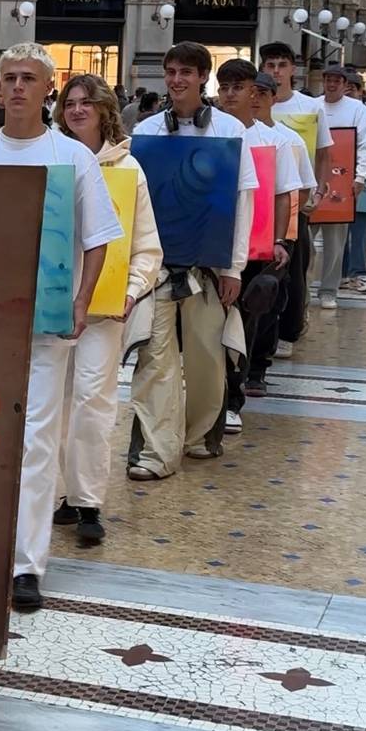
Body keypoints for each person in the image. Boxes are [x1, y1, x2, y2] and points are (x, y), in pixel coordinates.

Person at [0, 43, 122, 611]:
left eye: (29, 78)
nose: (18, 88)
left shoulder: (72, 157)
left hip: (46, 322)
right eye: (9, 78)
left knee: (34, 439)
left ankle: (25, 563)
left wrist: (81, 302)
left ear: (46, 88)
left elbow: (99, 235)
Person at [128, 41, 257, 479]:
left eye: (186, 72)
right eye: (171, 72)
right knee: (155, 359)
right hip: (158, 266)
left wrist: (233, 267)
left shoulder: (230, 131)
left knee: (206, 357)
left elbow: (243, 203)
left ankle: (201, 435)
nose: (177, 80)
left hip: (208, 264)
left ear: (203, 77)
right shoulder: (147, 133)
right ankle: (156, 451)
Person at [51, 74, 162, 543]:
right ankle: (55, 494)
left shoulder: (128, 170)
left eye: (86, 103)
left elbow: (146, 247)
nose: (76, 110)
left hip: (102, 310)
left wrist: (130, 291)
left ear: (103, 110)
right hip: (51, 308)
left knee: (93, 402)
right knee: (50, 402)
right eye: (70, 103)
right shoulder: (50, 159)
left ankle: (88, 499)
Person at [214, 59, 295, 430]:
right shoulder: (211, 132)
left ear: (254, 93)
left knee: (242, 325)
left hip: (253, 247)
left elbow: (282, 196)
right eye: (225, 87)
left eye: (238, 87)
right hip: (211, 243)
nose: (231, 95)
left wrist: (279, 239)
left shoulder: (273, 141)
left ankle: (233, 397)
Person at [260, 40, 333, 345]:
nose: (276, 71)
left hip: (296, 200)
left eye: (282, 65)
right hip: (262, 199)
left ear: (293, 69)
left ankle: (291, 323)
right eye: (270, 65)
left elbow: (323, 152)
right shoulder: (256, 101)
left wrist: (315, 193)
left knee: (296, 262)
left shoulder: (311, 106)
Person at [246, 72, 316, 389]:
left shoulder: (289, 140)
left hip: (278, 232)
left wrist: (281, 232)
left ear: (274, 98)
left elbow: (302, 190)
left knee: (268, 298)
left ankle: (259, 365)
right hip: (241, 232)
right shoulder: (231, 132)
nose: (256, 98)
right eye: (253, 91)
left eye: (264, 92)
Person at [314, 62, 366, 309]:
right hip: (315, 179)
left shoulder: (357, 109)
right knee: (306, 241)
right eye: (329, 79)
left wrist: (360, 177)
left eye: (337, 80)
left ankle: (329, 290)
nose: (332, 83)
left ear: (345, 84)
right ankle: (301, 289)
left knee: (336, 241)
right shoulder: (313, 105)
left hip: (342, 180)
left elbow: (364, 144)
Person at [341, 70, 366, 294]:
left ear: (360, 91)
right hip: (336, 179)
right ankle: (343, 273)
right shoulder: (328, 109)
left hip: (363, 179)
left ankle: (359, 273)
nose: (348, 93)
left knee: (361, 229)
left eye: (352, 89)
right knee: (338, 232)